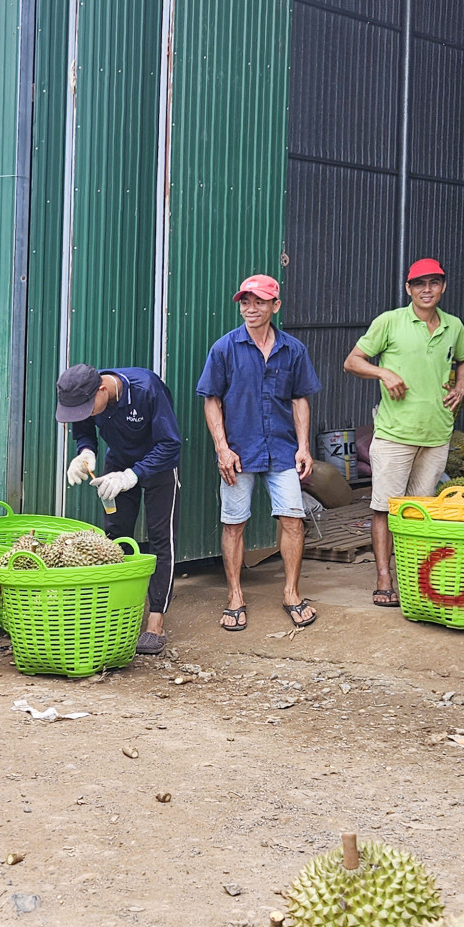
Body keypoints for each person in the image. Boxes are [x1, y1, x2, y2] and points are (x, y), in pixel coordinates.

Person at [343, 258, 464, 608]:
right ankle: (384, 577)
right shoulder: (390, 322)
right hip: (395, 433)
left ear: (443, 286)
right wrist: (384, 373)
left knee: (420, 510)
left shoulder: (454, 326)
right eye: (419, 284)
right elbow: (352, 361)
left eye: (433, 283)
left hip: (437, 433)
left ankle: (415, 576)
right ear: (408, 289)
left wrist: (461, 386)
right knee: (385, 507)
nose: (426, 290)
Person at [197, 274, 322, 632]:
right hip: (239, 451)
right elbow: (212, 400)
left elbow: (300, 399)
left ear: (275, 306)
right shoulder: (225, 348)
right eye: (245, 302)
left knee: (292, 519)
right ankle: (235, 596)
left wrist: (304, 446)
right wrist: (222, 448)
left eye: (259, 302)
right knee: (234, 523)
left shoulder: (292, 349)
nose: (251, 309)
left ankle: (292, 593)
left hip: (282, 449)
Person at [56, 362, 183, 656]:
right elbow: (84, 428)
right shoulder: (84, 393)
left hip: (159, 465)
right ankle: (114, 612)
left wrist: (132, 476)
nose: (85, 414)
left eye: (88, 408)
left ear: (103, 389)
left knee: (161, 538)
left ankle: (155, 622)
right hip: (117, 463)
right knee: (114, 535)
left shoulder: (147, 389)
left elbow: (170, 444)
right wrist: (85, 453)